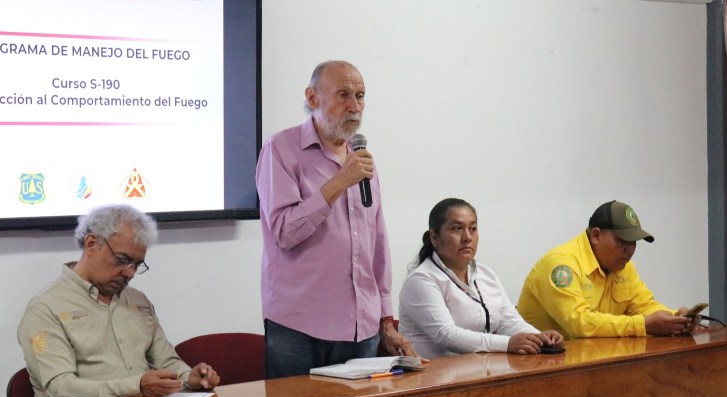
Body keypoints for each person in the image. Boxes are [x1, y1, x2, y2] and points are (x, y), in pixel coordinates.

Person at [256, 60, 416, 378]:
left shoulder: (362, 161)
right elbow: (284, 232)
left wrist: (385, 318)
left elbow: (377, 243)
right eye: (343, 95)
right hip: (299, 327)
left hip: (361, 327)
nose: (354, 107)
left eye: (360, 96)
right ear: (312, 97)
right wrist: (339, 183)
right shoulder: (281, 149)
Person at [18, 204, 219, 397]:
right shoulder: (45, 308)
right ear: (91, 244)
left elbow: (166, 362)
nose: (130, 273)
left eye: (137, 265)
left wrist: (189, 378)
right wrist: (136, 388)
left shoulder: (138, 301)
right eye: (123, 260)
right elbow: (60, 389)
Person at [399, 198, 564, 357]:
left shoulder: (486, 274)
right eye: (457, 228)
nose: (467, 237)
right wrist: (507, 344)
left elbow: (508, 321)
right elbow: (446, 334)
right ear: (435, 237)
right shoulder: (421, 279)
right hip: (432, 372)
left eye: (473, 228)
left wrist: (540, 338)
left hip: (478, 368)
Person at [517, 200, 696, 338]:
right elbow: (580, 324)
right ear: (596, 235)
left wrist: (677, 319)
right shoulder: (561, 266)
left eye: (633, 242)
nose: (630, 250)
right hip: (543, 364)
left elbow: (643, 305)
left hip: (593, 359)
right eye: (622, 241)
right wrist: (642, 325)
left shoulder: (623, 266)